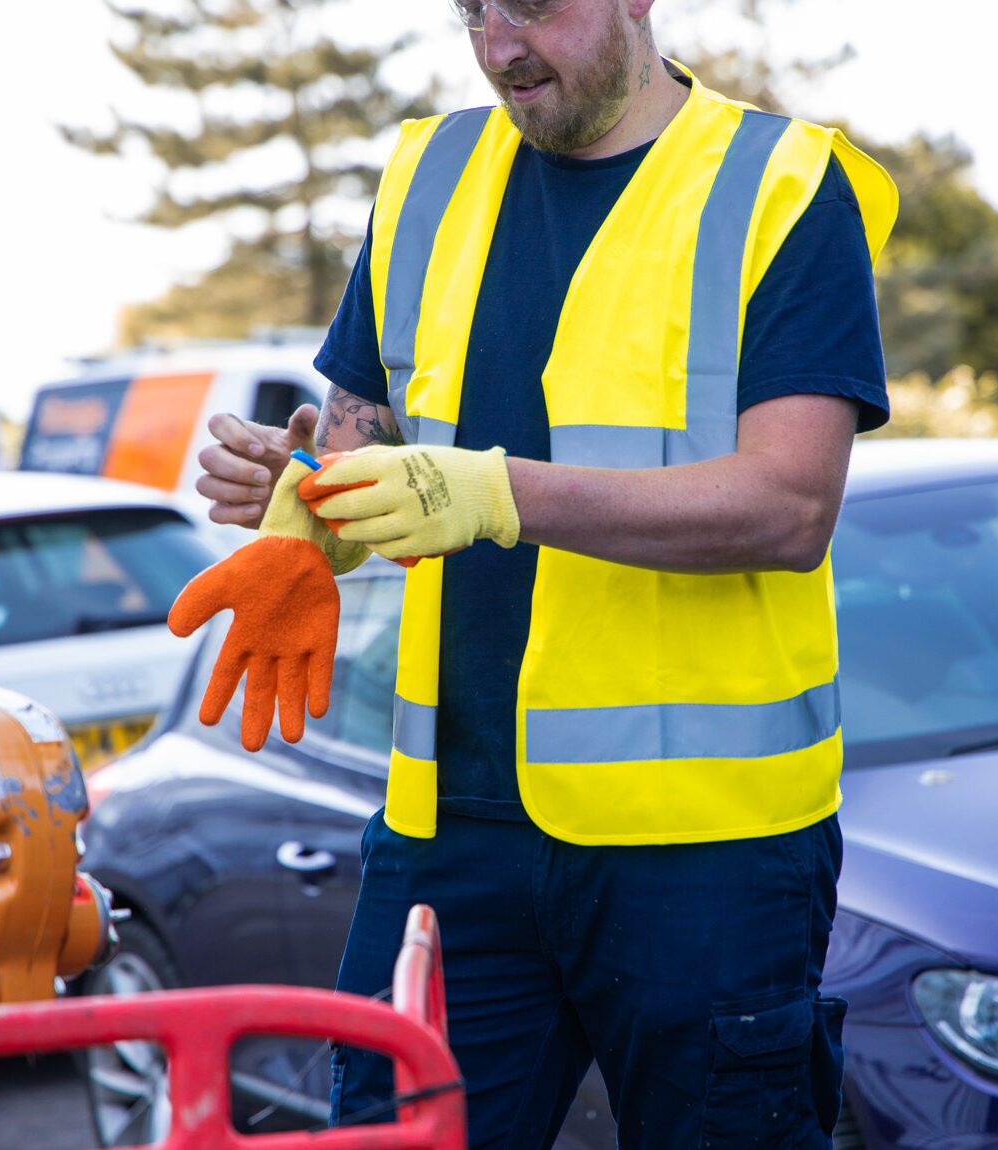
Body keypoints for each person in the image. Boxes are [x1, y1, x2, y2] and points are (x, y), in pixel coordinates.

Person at [190, 0, 898, 1145]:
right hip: (446, 832)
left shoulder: (781, 185)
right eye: (472, 10)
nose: (499, 45)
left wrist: (495, 492)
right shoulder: (424, 178)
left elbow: (789, 505)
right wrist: (303, 497)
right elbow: (364, 450)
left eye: (533, 4)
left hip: (707, 848)